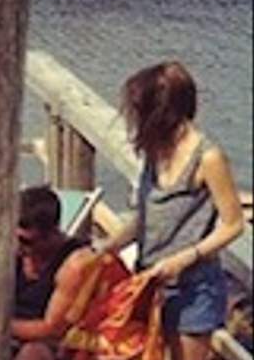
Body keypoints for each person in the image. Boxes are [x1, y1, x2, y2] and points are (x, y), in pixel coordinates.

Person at [97, 62, 244, 358]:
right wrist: (110, 245)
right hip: (149, 277)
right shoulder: (156, 150)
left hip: (193, 289)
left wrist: (186, 257)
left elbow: (234, 224)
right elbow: (146, 215)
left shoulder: (208, 158)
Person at [9, 186, 101, 358]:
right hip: (8, 333)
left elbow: (53, 329)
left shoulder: (74, 264)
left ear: (51, 234)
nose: (18, 246)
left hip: (49, 346)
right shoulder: (12, 252)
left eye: (26, 241)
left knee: (33, 353)